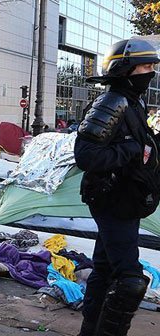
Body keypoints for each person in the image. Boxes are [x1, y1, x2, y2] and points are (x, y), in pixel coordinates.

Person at [74, 38, 160, 336]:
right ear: (125, 69)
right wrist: (133, 150)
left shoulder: (133, 101)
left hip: (126, 198)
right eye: (146, 66)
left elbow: (136, 143)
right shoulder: (112, 102)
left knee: (105, 269)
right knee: (130, 279)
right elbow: (86, 156)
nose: (151, 73)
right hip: (112, 199)